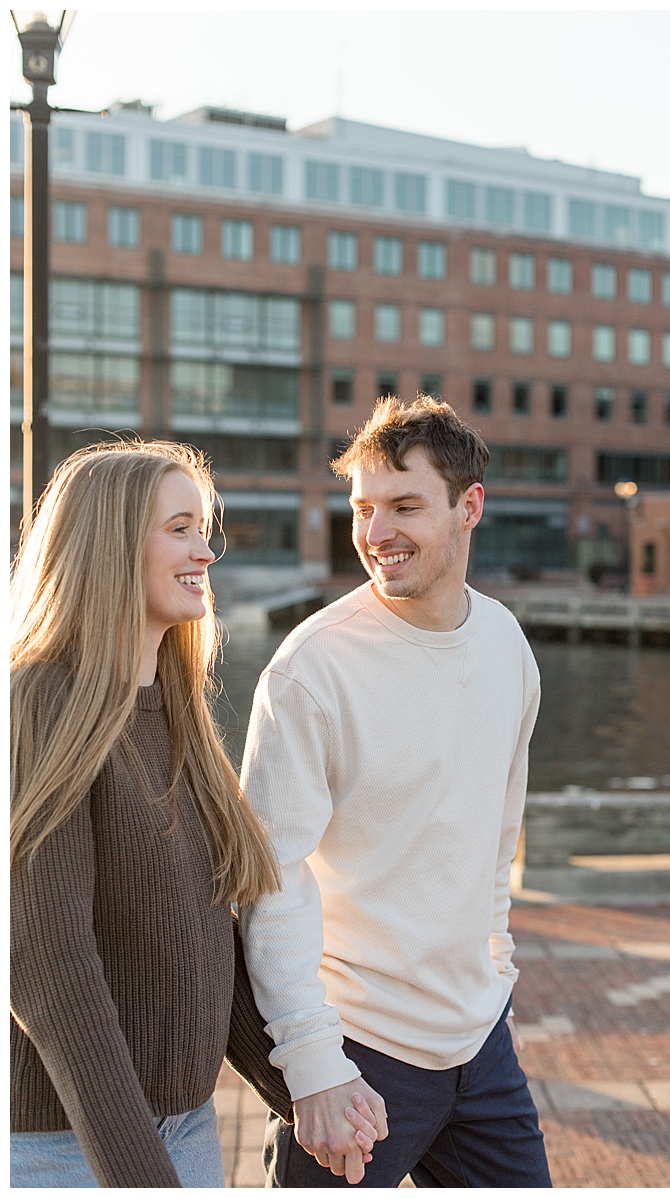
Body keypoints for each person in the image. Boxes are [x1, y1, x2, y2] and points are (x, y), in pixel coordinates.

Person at [8, 441, 376, 1186]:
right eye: (179, 528)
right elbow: (48, 969)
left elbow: (208, 944)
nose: (205, 551)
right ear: (108, 542)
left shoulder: (175, 709)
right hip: (66, 1150)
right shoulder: (38, 700)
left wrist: (304, 1092)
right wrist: (142, 1175)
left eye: (204, 529)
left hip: (186, 1129)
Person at [239, 396, 552, 1187]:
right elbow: (268, 878)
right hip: (358, 1055)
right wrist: (311, 1065)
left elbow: (495, 835)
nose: (376, 534)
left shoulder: (508, 647)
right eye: (363, 509)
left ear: (468, 506)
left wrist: (496, 962)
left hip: (482, 1044)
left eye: (405, 506)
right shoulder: (311, 671)